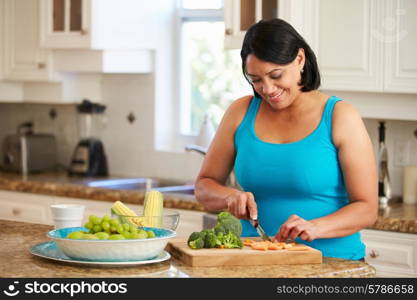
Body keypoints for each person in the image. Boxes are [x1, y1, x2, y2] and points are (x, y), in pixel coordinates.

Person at [194, 18, 377, 260]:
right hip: (254, 260)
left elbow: (367, 208)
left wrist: (315, 227)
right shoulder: (240, 112)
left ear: (300, 59)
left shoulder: (340, 116)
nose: (267, 89)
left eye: (276, 75)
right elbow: (204, 185)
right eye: (256, 79)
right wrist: (229, 196)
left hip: (331, 262)